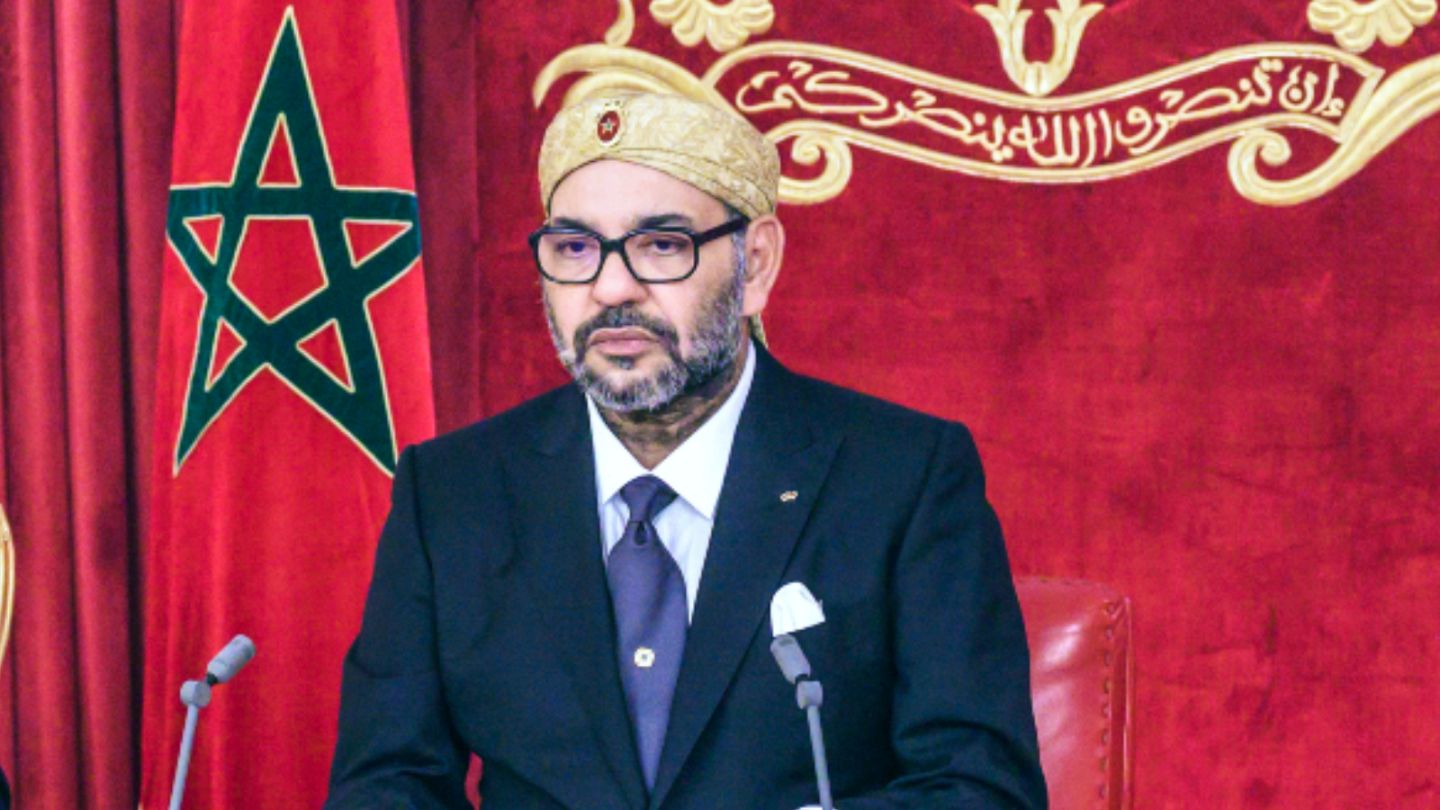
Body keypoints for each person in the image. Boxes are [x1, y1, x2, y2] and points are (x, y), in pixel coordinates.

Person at [326, 92, 1047, 809]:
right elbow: (386, 785)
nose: (611, 288)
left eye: (662, 245)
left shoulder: (903, 477)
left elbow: (981, 788)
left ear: (754, 264)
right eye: (575, 248)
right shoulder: (452, 492)